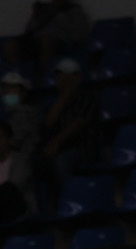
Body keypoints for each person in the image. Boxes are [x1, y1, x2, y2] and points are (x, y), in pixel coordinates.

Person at [35, 58, 99, 187]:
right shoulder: (55, 103)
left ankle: (71, 195)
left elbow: (78, 123)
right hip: (59, 149)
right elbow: (48, 124)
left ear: (77, 77)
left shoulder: (87, 97)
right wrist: (64, 97)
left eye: (65, 77)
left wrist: (57, 142)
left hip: (82, 149)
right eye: (58, 78)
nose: (61, 81)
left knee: (62, 161)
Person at [24, 0, 92, 63]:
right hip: (35, 44)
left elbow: (81, 36)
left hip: (61, 47)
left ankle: (43, 72)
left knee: (46, 42)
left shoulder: (74, 11)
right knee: (10, 46)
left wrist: (58, 15)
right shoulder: (42, 8)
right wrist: (39, 15)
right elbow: (28, 31)